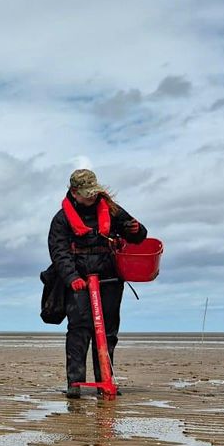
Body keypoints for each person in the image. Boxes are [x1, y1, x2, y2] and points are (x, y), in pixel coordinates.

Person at [48, 168, 147, 398]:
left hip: (109, 277)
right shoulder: (61, 219)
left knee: (109, 330)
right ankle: (75, 384)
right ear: (74, 192)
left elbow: (137, 235)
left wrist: (137, 230)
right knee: (79, 330)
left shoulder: (111, 210)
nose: (92, 197)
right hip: (79, 279)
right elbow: (58, 251)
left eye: (94, 192)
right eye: (86, 193)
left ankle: (105, 380)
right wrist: (72, 277)